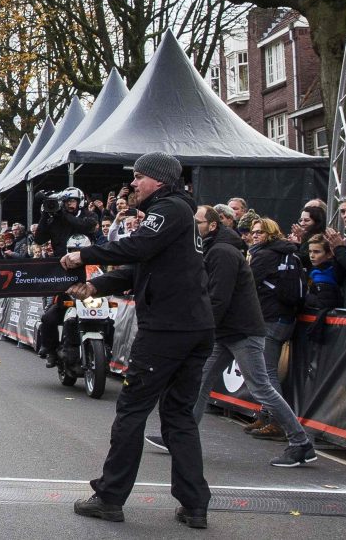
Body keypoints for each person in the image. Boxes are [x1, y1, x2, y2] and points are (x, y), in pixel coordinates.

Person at [60, 152, 214, 529]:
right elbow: (141, 267)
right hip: (193, 328)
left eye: (140, 178)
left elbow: (137, 249)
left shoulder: (169, 208)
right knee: (178, 415)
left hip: (166, 330)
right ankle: (194, 505)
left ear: (160, 179)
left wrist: (85, 254)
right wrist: (95, 283)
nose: (133, 185)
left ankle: (110, 497)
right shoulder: (179, 212)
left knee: (131, 411)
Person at [145, 206, 316, 467]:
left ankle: (301, 443)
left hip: (243, 331)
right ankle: (178, 437)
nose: (193, 227)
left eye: (198, 223)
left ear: (212, 226)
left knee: (261, 386)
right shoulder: (213, 249)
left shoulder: (222, 252)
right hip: (228, 331)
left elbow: (218, 297)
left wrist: (199, 330)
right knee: (201, 381)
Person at [240, 217, 304, 440]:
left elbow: (245, 282)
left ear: (271, 234)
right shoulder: (283, 251)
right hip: (282, 317)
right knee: (266, 371)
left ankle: (277, 421)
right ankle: (267, 415)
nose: (255, 235)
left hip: (271, 319)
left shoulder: (264, 255)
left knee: (267, 373)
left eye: (260, 232)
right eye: (253, 232)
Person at [36, 187, 100, 364]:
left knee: (104, 310)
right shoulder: (55, 218)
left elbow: (85, 226)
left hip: (87, 270)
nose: (69, 204)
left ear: (79, 202)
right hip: (61, 273)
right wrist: (44, 213)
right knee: (49, 317)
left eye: (72, 201)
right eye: (66, 201)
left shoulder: (89, 216)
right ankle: (51, 349)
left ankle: (104, 347)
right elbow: (39, 239)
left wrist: (62, 214)